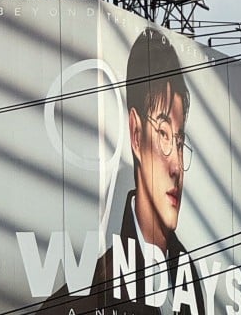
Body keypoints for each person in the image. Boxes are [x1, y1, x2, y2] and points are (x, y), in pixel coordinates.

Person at [38, 29, 206, 315]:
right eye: (164, 135)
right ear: (136, 133)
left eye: (179, 142)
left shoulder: (190, 276)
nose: (177, 166)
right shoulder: (90, 289)